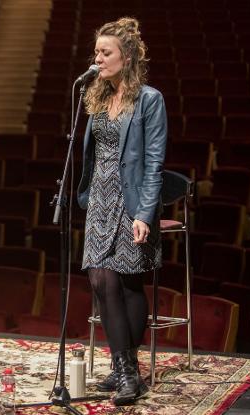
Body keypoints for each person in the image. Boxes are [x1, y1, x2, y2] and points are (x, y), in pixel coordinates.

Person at [77, 17, 167, 406]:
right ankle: (123, 366)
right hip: (100, 198)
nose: (98, 58)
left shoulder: (149, 99)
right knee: (100, 280)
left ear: (126, 56)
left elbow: (154, 161)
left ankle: (127, 371)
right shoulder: (95, 95)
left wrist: (144, 213)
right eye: (96, 52)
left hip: (131, 202)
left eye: (105, 52)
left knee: (128, 283)